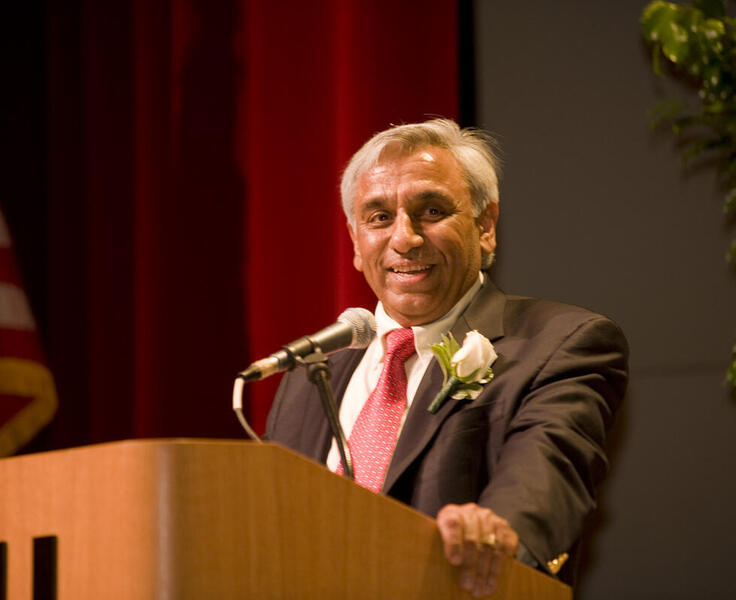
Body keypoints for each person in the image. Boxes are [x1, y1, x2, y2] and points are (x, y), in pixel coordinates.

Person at [265, 118, 628, 596]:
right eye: (378, 217)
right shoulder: (310, 375)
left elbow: (547, 472)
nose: (405, 238)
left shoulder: (560, 344)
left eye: (431, 210)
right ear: (355, 242)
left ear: (485, 227)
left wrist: (497, 530)